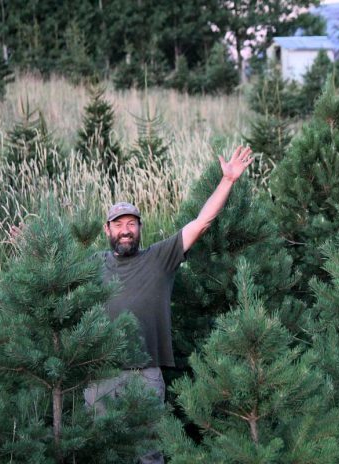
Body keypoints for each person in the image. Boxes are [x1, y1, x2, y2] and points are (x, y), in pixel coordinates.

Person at [84, 145, 254, 463]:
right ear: (107, 230)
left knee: (148, 451)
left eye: (131, 223)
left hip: (146, 372)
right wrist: (29, 244)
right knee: (102, 450)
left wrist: (228, 181)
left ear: (139, 228)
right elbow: (53, 278)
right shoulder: (92, 263)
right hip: (101, 375)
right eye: (118, 224)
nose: (125, 230)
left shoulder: (161, 258)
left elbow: (201, 222)